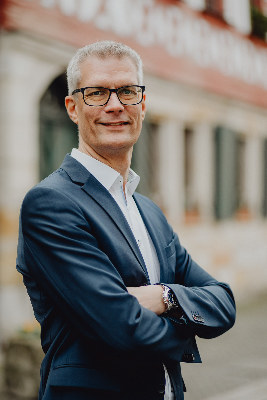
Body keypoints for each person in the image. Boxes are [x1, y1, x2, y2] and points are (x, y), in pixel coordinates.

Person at [16, 40, 235, 400]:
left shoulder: (149, 211)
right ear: (73, 107)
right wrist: (190, 322)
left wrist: (164, 297)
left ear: (143, 105)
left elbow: (224, 301)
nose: (115, 106)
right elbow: (122, 329)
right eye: (97, 93)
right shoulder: (51, 203)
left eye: (128, 92)